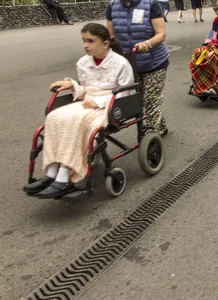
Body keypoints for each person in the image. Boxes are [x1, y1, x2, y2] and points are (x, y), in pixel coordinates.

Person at [23, 23, 134, 198]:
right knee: (54, 117)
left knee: (78, 122)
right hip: (86, 102)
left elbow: (126, 93)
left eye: (91, 41)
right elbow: (84, 89)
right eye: (84, 41)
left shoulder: (121, 63)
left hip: (110, 105)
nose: (86, 45)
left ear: (105, 43)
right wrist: (72, 85)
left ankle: (64, 177)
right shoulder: (83, 62)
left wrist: (99, 102)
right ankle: (51, 172)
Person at [106, 0, 170, 137]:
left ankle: (149, 135)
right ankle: (161, 123)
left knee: (151, 98)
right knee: (140, 99)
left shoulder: (151, 4)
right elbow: (110, 38)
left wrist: (147, 44)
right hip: (129, 63)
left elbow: (161, 34)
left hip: (154, 62)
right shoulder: (112, 6)